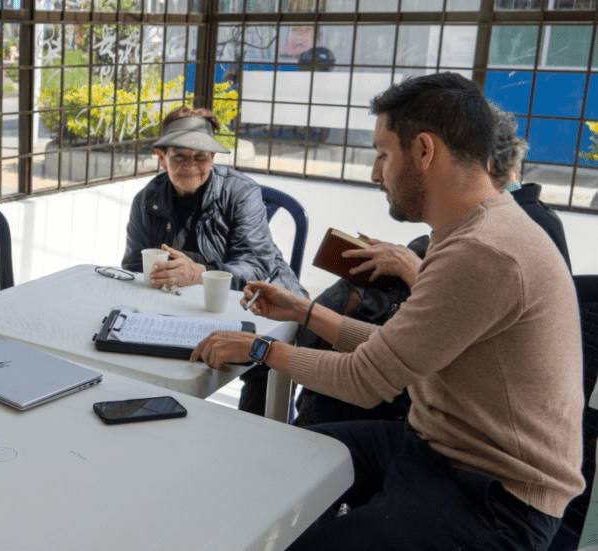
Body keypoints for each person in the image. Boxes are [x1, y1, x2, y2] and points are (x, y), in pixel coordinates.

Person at [191, 73, 583, 550]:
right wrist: (303, 311)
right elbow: (393, 350)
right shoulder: (466, 229)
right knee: (273, 462)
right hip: (436, 446)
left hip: (495, 498)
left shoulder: (484, 251)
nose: (376, 173)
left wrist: (260, 347)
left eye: (382, 154)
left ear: (423, 150)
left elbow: (364, 379)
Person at [292, 102, 574, 427]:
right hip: (432, 368)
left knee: (333, 399)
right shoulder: (487, 218)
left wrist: (410, 266)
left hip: (463, 406)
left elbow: (462, 321)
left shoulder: (521, 227)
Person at [121, 106, 307, 415]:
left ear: (213, 158)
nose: (191, 166)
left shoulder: (241, 192)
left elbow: (256, 266)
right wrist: (152, 277)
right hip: (189, 312)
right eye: (179, 156)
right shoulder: (147, 200)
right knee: (131, 348)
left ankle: (253, 442)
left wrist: (199, 274)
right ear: (161, 156)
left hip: (261, 303)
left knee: (263, 361)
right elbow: (130, 267)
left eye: (201, 157)